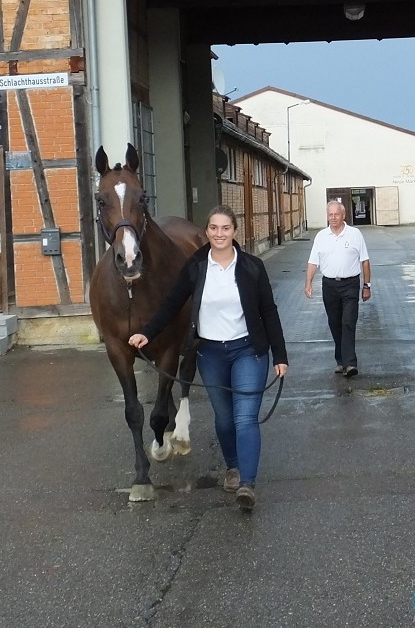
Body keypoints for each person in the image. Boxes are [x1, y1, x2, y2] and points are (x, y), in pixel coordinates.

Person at [128, 204, 288, 511]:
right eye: (214, 228)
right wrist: (147, 332)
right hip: (211, 353)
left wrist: (280, 356)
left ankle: (247, 484)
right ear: (207, 232)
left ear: (235, 231)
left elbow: (269, 311)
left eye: (225, 228)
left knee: (244, 418)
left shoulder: (252, 267)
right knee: (225, 419)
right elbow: (172, 303)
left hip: (248, 351)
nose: (219, 234)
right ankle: (233, 466)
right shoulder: (196, 266)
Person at [304, 200, 371, 377]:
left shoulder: (355, 234)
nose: (333, 218)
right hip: (329, 285)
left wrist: (367, 286)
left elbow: (365, 261)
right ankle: (340, 360)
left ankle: (350, 363)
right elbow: (313, 262)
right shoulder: (321, 236)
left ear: (343, 215)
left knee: (348, 322)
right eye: (330, 215)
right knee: (335, 323)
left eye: (336, 214)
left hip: (350, 284)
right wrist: (308, 282)